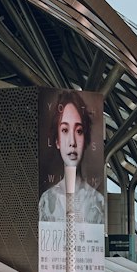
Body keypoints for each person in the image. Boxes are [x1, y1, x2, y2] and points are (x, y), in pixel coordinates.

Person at [38, 94, 105, 224]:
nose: (72, 142)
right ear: (57, 141)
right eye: (64, 130)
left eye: (79, 131)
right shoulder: (46, 201)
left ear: (85, 139)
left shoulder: (97, 201)